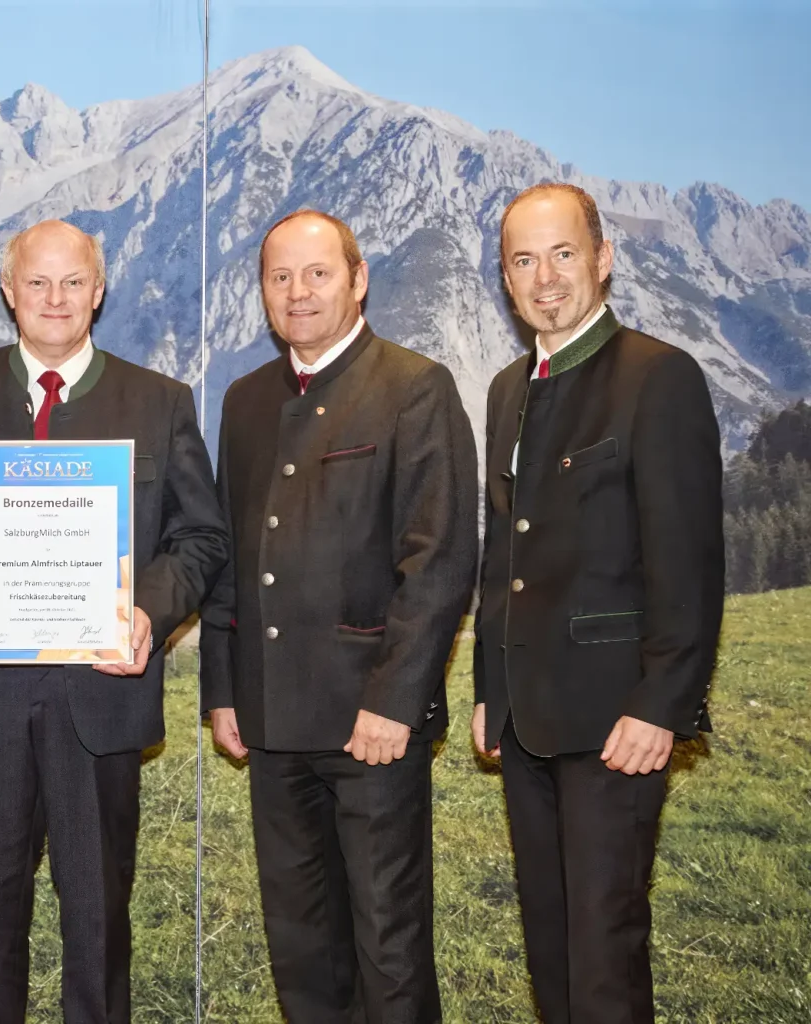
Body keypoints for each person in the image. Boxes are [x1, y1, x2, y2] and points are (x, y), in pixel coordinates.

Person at [0, 219, 227, 1023]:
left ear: (98, 292)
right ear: (8, 291)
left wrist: (149, 606)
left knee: (99, 916)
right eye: (36, 282)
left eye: (72, 282)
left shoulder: (160, 402)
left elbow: (202, 538)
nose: (54, 299)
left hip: (99, 694)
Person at [200, 210, 478, 1023]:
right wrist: (223, 689)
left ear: (358, 280)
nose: (298, 292)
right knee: (300, 944)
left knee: (388, 946)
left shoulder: (414, 386)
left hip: (371, 723)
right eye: (279, 277)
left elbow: (440, 560)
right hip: (271, 720)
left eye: (317, 273)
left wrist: (395, 702)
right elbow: (229, 556)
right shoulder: (246, 400)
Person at [473, 182, 724, 1024]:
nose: (545, 278)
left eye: (563, 254)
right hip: (525, 718)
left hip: (618, 721)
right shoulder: (508, 387)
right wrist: (488, 688)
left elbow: (688, 563)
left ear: (603, 259)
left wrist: (663, 704)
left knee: (605, 951)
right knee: (550, 943)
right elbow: (502, 552)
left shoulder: (660, 377)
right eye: (524, 260)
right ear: (506, 280)